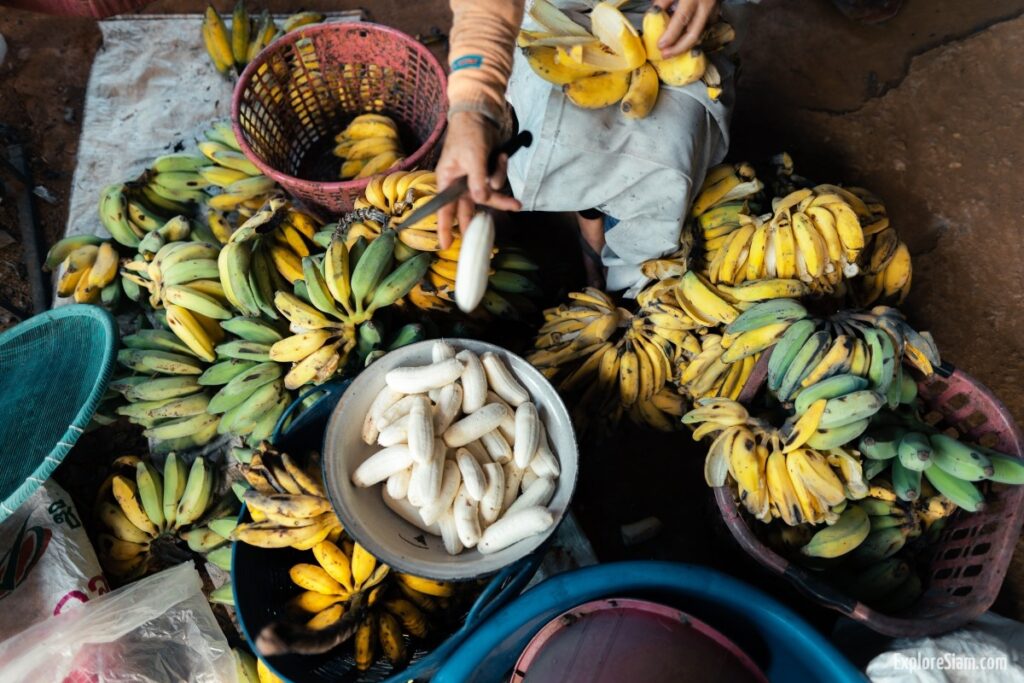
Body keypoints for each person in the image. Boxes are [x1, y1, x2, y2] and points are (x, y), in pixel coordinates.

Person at [436, 0, 736, 293]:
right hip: (554, 15)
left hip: (664, 20)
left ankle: (628, 276)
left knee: (665, 160)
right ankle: (590, 223)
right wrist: (471, 107)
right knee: (565, 135)